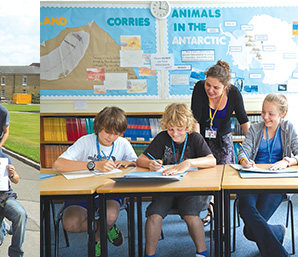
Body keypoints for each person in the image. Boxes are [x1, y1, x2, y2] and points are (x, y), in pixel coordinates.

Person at [135, 103, 216, 257]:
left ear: (187, 126)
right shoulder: (162, 137)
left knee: (191, 215)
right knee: (154, 214)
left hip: (190, 190)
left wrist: (189, 162)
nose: (175, 134)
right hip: (166, 188)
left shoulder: (195, 138)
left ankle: (202, 253)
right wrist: (150, 164)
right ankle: (149, 255)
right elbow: (140, 160)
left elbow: (212, 161)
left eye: (179, 129)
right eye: (171, 129)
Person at [52, 106, 135, 255]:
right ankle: (108, 227)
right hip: (82, 192)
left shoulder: (123, 143)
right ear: (98, 127)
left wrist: (130, 162)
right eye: (107, 132)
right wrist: (93, 165)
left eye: (115, 134)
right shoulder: (85, 141)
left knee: (109, 216)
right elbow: (57, 165)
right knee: (70, 224)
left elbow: (137, 163)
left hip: (110, 192)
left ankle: (97, 238)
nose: (110, 137)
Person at [233, 94, 298, 257]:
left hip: (277, 182)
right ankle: (279, 245)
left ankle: (278, 236)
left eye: (271, 114)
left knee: (250, 230)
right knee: (247, 211)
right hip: (252, 179)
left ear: (282, 114)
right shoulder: (255, 128)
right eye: (263, 112)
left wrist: (287, 161)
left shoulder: (288, 128)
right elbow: (242, 152)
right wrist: (245, 161)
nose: (265, 117)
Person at [191, 60, 250, 165]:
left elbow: (243, 120)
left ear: (225, 86)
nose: (210, 90)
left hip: (224, 141)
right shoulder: (199, 88)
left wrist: (252, 146)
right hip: (202, 138)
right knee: (204, 171)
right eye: (208, 85)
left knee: (224, 173)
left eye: (216, 88)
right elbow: (195, 120)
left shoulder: (234, 93)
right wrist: (198, 146)